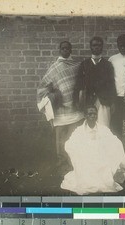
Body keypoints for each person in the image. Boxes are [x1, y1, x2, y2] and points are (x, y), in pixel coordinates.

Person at [60, 105, 125, 195]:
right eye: (90, 114)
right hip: (85, 159)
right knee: (86, 178)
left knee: (104, 169)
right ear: (85, 116)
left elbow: (114, 141)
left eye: (95, 114)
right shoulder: (79, 131)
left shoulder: (103, 129)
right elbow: (69, 144)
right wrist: (83, 149)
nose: (93, 116)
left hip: (101, 157)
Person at [37, 41, 84, 169]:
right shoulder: (54, 67)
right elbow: (43, 85)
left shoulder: (76, 65)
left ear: (71, 50)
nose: (65, 50)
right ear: (59, 50)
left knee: (74, 136)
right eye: (63, 48)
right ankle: (62, 161)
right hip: (61, 110)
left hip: (75, 109)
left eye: (68, 48)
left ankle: (73, 161)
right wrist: (52, 95)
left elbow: (82, 82)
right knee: (61, 137)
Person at [74, 36, 116, 128]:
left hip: (104, 101)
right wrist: (77, 100)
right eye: (94, 45)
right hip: (89, 100)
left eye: (99, 45)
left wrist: (112, 102)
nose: (96, 47)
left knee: (104, 126)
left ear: (102, 47)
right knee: (89, 127)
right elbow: (79, 84)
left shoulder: (107, 65)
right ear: (90, 47)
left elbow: (111, 84)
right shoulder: (85, 64)